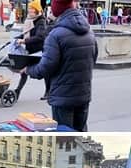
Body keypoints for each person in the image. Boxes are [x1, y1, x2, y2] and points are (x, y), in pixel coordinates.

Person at [22, 0, 97, 131]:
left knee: (64, 136)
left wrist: (27, 69)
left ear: (57, 9)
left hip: (63, 98)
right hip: (83, 95)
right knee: (79, 135)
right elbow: (93, 59)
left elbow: (45, 68)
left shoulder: (55, 35)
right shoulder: (89, 31)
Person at [15, 2, 52, 101]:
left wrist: (24, 41)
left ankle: (48, 91)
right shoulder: (29, 20)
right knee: (24, 71)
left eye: (32, 9)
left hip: (39, 51)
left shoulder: (41, 21)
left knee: (44, 72)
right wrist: (17, 38)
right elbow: (26, 33)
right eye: (29, 9)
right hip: (30, 50)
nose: (29, 11)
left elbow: (40, 37)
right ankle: (17, 91)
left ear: (37, 11)